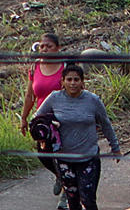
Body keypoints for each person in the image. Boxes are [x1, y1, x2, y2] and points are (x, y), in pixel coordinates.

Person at [31, 63, 119, 210]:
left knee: (88, 200)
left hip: (88, 158)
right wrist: (47, 127)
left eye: (76, 80)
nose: (73, 83)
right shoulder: (54, 98)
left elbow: (106, 124)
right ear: (62, 82)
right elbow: (35, 119)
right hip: (64, 159)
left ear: (82, 82)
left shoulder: (93, 100)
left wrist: (115, 147)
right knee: (72, 200)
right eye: (69, 79)